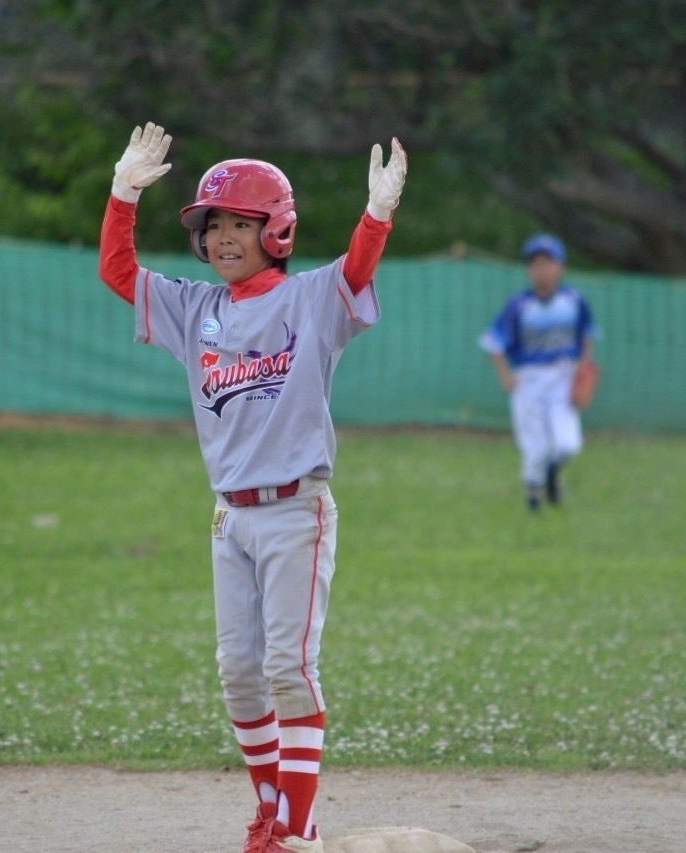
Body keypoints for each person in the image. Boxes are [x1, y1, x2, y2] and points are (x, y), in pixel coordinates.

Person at [98, 122, 407, 852]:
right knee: (239, 674)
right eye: (212, 226)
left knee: (289, 669)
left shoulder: (310, 299)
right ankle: (272, 813)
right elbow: (119, 273)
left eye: (241, 222)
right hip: (229, 519)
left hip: (296, 510)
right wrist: (122, 196)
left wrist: (377, 216)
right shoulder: (195, 310)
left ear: (277, 230)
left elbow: (357, 269)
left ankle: (297, 831)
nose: (223, 238)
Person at [479, 233, 598, 511]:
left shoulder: (573, 300)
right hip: (530, 377)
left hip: (564, 376)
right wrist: (506, 376)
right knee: (535, 447)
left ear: (561, 267)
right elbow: (493, 342)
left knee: (568, 445)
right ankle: (534, 502)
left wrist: (583, 369)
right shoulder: (519, 305)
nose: (542, 268)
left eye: (548, 262)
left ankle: (552, 475)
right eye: (536, 263)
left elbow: (587, 335)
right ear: (529, 269)